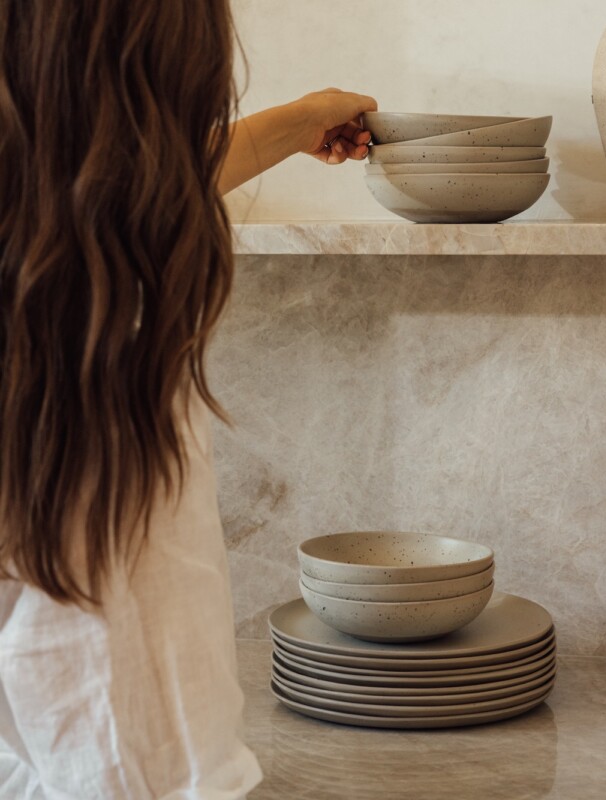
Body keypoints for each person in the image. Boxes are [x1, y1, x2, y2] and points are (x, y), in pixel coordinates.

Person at [0, 1, 376, 797]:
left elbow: (106, 185)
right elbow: (137, 744)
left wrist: (300, 122)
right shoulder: (93, 349)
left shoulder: (33, 254)